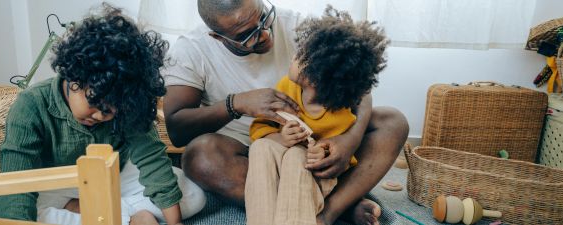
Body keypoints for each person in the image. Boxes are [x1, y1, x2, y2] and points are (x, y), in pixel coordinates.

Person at [162, 0, 409, 224]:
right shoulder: (191, 50)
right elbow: (176, 128)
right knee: (199, 156)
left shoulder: (298, 26)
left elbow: (358, 84)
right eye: (248, 35)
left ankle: (329, 212)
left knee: (393, 121)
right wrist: (235, 104)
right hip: (246, 153)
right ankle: (341, 205)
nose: (265, 35)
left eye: (263, 18)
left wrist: (349, 141)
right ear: (218, 37)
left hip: (321, 151)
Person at [0, 4, 205, 225]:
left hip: (115, 175)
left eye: (110, 112)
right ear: (74, 77)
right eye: (95, 104)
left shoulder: (127, 101)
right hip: (54, 183)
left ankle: (100, 213)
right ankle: (124, 217)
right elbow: (16, 182)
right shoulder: (30, 105)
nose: (100, 117)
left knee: (194, 197)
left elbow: (151, 159)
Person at [245, 6, 389, 225]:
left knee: (296, 157)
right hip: (279, 165)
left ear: (316, 77)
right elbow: (259, 129)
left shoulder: (341, 116)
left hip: (317, 178)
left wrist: (319, 152)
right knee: (260, 147)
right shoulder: (285, 88)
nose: (293, 56)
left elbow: (341, 162)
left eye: (300, 55)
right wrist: (282, 137)